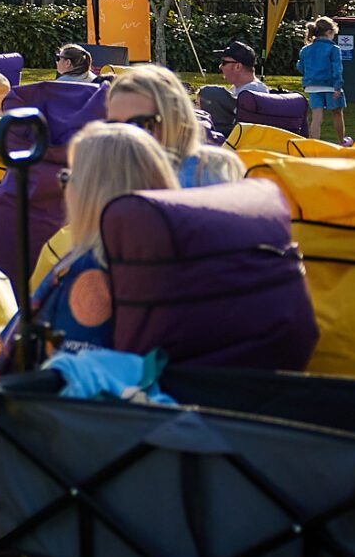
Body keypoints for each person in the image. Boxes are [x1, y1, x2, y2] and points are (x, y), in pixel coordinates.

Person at [29, 122, 180, 349]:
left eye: (67, 178)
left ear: (91, 192)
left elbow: (65, 361)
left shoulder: (89, 273)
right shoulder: (181, 255)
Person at [103, 64, 243, 186]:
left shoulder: (212, 173)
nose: (125, 136)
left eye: (141, 124)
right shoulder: (106, 175)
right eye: (113, 126)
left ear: (174, 119)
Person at [195, 40, 268, 139]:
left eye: (224, 63)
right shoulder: (239, 89)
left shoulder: (253, 92)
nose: (220, 67)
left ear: (238, 66)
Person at [299, 17, 346, 141]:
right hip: (330, 85)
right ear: (329, 32)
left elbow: (301, 67)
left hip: (312, 86)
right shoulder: (334, 49)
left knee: (316, 117)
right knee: (337, 113)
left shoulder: (305, 50)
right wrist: (338, 86)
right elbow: (337, 69)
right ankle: (341, 141)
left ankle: (314, 142)